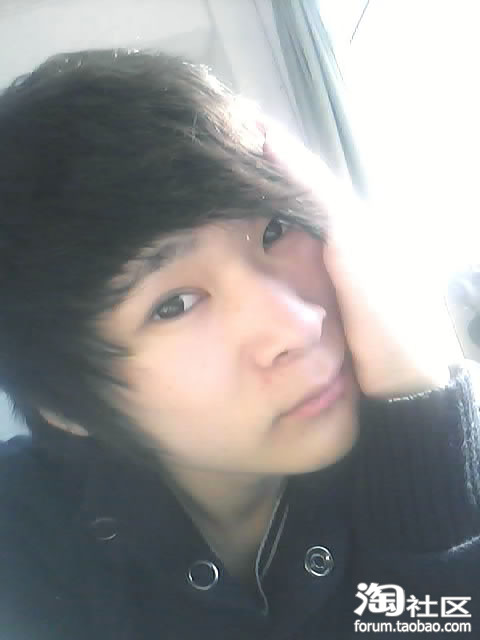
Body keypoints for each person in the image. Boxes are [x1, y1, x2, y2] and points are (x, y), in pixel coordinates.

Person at [0, 47, 478, 640]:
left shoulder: (448, 448)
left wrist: (420, 413)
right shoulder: (20, 543)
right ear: (62, 403)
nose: (298, 325)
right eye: (174, 304)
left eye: (277, 228)